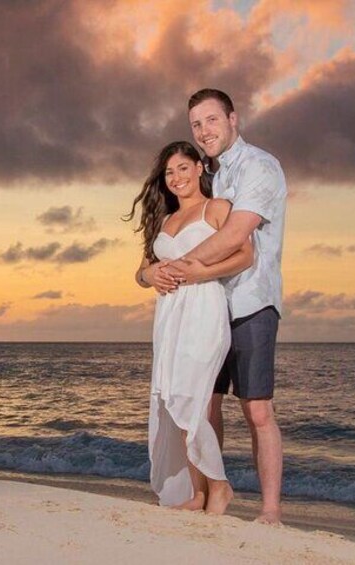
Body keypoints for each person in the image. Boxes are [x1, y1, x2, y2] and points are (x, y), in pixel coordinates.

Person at [143, 89, 287, 525]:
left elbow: (235, 238)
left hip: (249, 301)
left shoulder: (259, 166)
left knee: (257, 409)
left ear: (232, 119)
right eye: (196, 124)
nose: (204, 130)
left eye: (212, 120)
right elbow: (158, 253)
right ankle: (206, 493)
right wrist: (152, 273)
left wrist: (179, 269)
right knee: (203, 404)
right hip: (203, 310)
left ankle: (270, 510)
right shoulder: (209, 174)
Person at [125, 141, 253, 514]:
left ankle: (220, 486)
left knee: (191, 398)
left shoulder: (217, 208)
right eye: (169, 172)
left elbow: (245, 255)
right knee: (174, 398)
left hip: (203, 309)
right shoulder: (164, 219)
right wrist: (150, 274)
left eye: (183, 168)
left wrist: (202, 273)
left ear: (199, 168)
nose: (176, 177)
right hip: (168, 317)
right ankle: (198, 493)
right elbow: (141, 274)